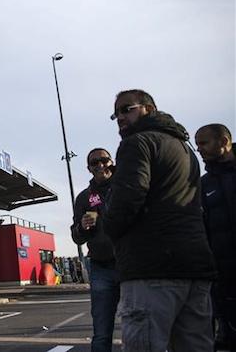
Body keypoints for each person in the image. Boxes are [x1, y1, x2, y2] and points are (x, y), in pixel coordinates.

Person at [102, 89, 217, 351]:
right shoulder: (185, 149)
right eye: (115, 113)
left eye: (126, 109)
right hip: (195, 267)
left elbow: (128, 200)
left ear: (149, 109)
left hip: (152, 268)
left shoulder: (137, 143)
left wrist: (110, 228)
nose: (120, 117)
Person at [70, 148, 120, 352]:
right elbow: (76, 236)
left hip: (132, 264)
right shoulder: (84, 198)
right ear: (89, 169)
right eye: (94, 163)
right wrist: (82, 226)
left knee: (140, 322)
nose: (100, 165)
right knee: (101, 329)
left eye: (104, 160)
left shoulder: (127, 187)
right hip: (101, 267)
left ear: (111, 161)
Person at [195, 123, 236, 350]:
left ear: (223, 142)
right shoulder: (204, 184)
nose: (199, 149)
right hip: (223, 274)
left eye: (204, 143)